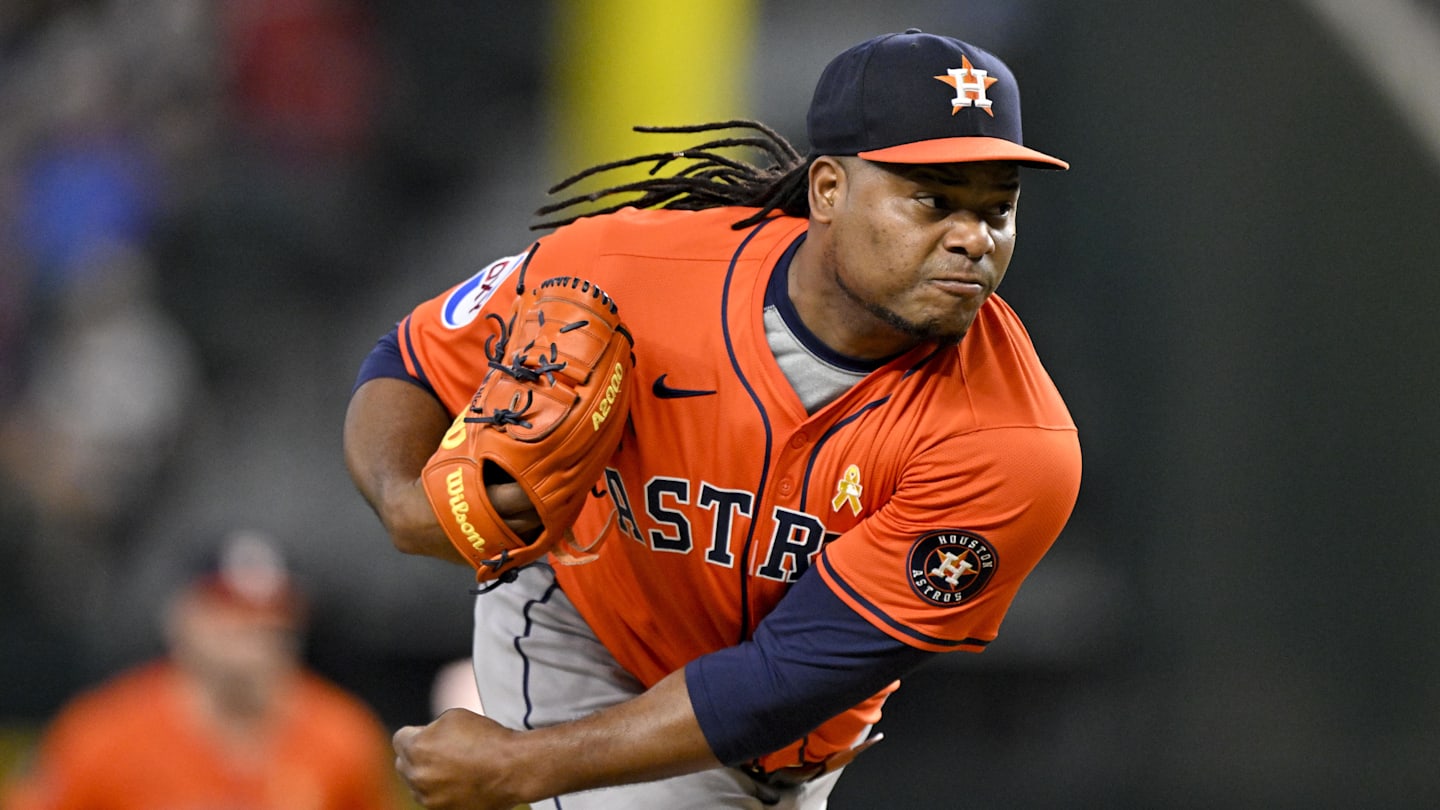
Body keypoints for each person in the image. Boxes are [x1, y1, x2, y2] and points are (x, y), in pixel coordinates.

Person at [344, 29, 1081, 810]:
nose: (974, 239)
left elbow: (786, 675)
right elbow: (414, 356)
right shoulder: (629, 270)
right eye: (933, 201)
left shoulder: (1013, 445)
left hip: (777, 728)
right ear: (828, 190)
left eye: (997, 208)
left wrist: (523, 768)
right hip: (582, 636)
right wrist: (401, 498)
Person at [1, 531, 404, 810]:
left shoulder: (342, 734)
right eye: (226, 605)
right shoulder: (103, 734)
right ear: (181, 616)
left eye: (272, 610)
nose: (252, 626)